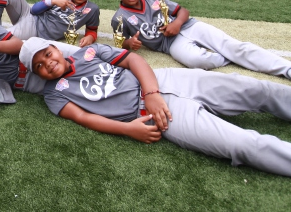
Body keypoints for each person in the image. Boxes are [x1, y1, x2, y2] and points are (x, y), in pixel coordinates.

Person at [23, 37, 291, 177]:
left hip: (162, 80)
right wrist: (127, 130)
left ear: (54, 49)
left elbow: (134, 61)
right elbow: (84, 118)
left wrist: (151, 91)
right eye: (39, 66)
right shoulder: (53, 95)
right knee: (242, 144)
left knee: (254, 89)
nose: (47, 64)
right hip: (155, 115)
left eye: (47, 55)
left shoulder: (88, 53)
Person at [111, 0, 291, 78]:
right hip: (169, 44)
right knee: (198, 61)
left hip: (190, 27)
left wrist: (178, 23)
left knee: (234, 46)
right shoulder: (120, 17)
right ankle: (230, 56)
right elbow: (120, 42)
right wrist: (130, 44)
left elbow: (183, 11)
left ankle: (286, 69)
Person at [7, 0, 100, 47]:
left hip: (35, 30)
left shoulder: (92, 9)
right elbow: (33, 10)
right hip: (27, 14)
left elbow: (92, 30)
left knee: (3, 36)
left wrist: (90, 37)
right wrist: (53, 1)